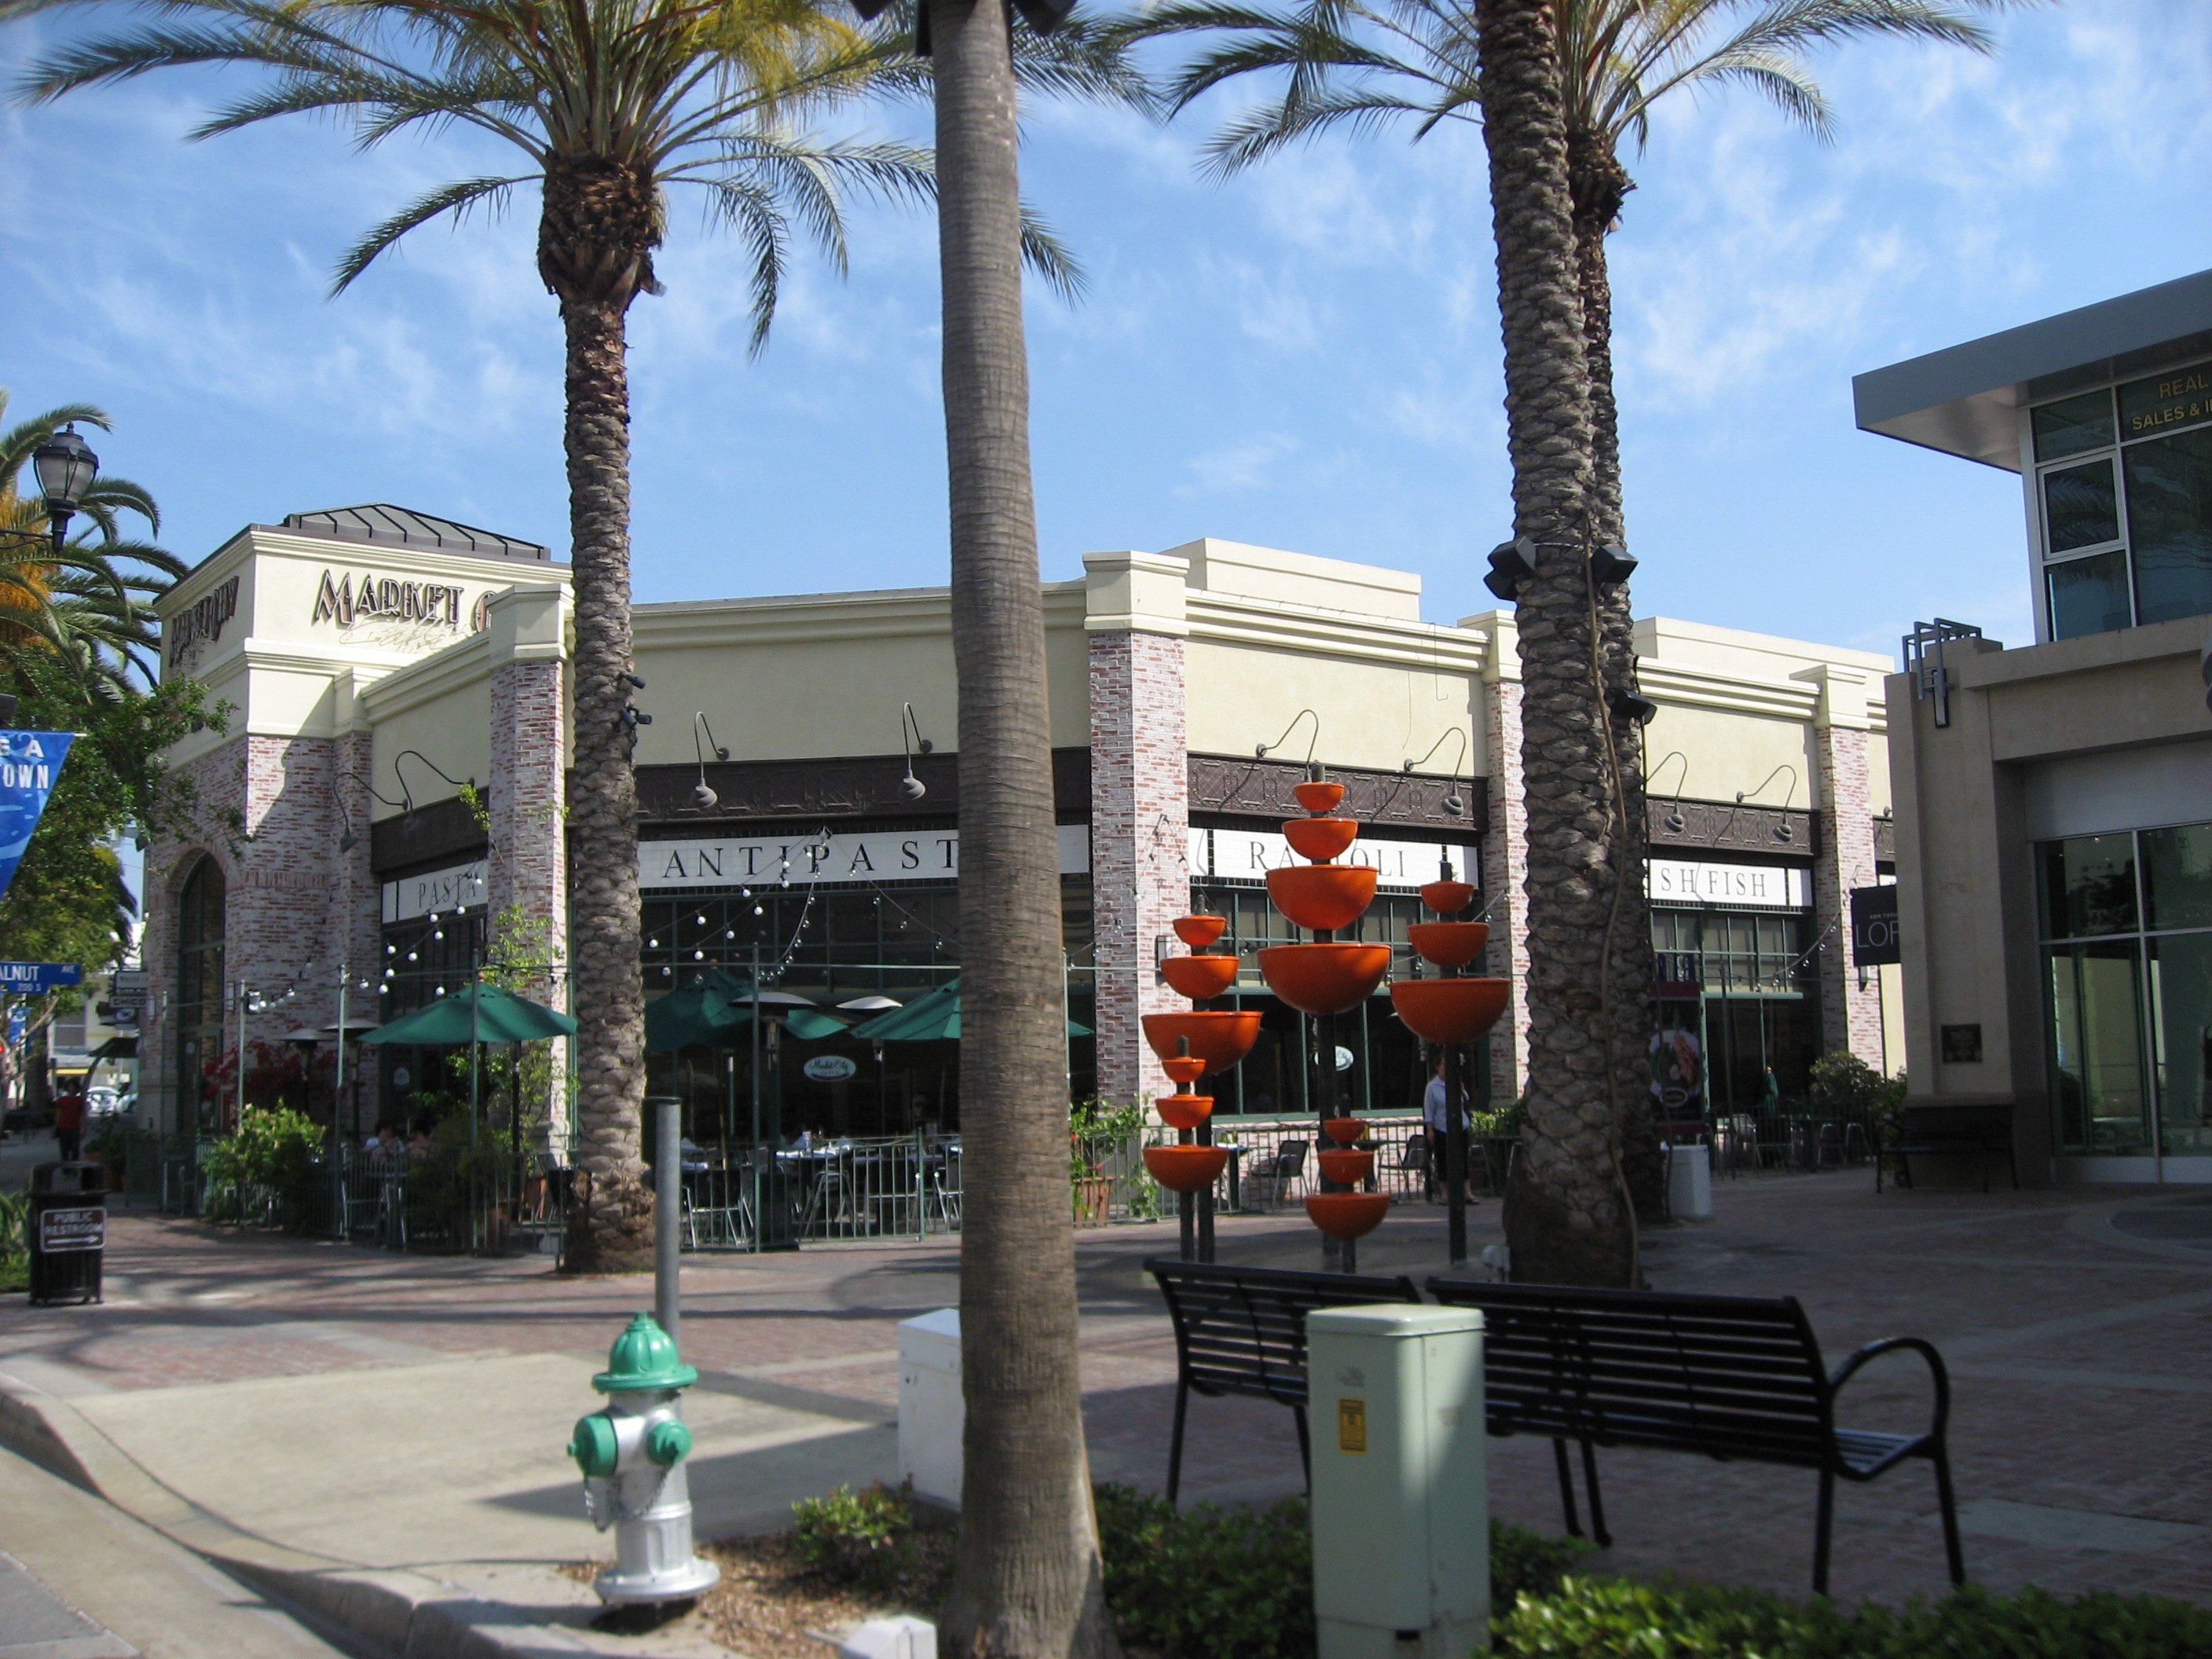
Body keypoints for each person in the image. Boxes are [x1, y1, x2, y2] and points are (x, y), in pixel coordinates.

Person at [1422, 1053, 1469, 1204]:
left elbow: (1465, 1101)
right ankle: (1444, 1193)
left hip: (1461, 1125)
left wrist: (1462, 1090)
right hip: (1442, 1127)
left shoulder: (1455, 1082)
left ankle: (1467, 1192)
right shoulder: (1432, 1087)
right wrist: (1430, 1130)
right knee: (1442, 1159)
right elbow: (1429, 1110)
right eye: (1444, 1064)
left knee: (1464, 1159)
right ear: (1438, 1067)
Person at [53, 1084, 87, 1162]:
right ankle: (66, 1167)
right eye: (70, 1087)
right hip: (63, 1126)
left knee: (75, 1149)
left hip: (75, 1126)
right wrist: (56, 1125)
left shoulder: (79, 1100)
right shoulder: (62, 1100)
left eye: (74, 1087)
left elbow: (82, 1114)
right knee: (64, 1148)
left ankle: (74, 1165)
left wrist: (83, 1128)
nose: (72, 1089)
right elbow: (58, 1113)